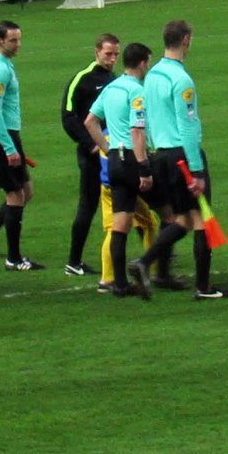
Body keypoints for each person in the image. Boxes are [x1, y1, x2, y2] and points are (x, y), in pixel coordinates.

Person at [128, 20, 228, 300]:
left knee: (183, 219)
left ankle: (145, 262)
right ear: (186, 40)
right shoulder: (181, 80)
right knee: (200, 218)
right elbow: (187, 127)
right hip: (182, 157)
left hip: (160, 154)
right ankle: (203, 287)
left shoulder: (151, 76)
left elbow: (145, 118)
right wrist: (196, 170)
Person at [84, 42, 155, 298]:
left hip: (113, 159)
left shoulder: (111, 88)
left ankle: (121, 284)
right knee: (172, 215)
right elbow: (137, 131)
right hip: (132, 162)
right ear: (143, 63)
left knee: (120, 224)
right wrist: (144, 168)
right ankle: (158, 269)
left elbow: (90, 121)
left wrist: (105, 147)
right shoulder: (137, 91)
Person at [0, 21, 43, 271]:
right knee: (15, 195)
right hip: (2, 137)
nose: (18, 44)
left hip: (6, 135)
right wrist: (9, 147)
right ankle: (14, 258)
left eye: (19, 39)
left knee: (26, 191)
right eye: (13, 40)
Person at [60, 34, 120, 276]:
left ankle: (157, 248)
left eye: (116, 54)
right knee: (88, 205)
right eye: (108, 54)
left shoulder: (112, 78)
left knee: (131, 200)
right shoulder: (82, 80)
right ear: (97, 52)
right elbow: (68, 117)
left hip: (114, 152)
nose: (112, 59)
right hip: (93, 155)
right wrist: (91, 145)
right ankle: (74, 261)